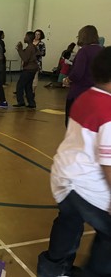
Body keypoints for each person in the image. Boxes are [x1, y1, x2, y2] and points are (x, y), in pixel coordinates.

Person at [37, 46, 111, 277]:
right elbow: (108, 164)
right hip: (83, 185)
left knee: (69, 220)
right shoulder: (108, 111)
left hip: (63, 177)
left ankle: (53, 268)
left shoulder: (85, 96)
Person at [64, 25, 102, 127]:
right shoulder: (102, 51)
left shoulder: (84, 51)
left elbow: (77, 73)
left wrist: (68, 79)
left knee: (74, 125)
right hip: (97, 94)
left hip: (80, 93)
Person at [14, 31, 39, 108]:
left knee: (20, 85)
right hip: (33, 69)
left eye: (25, 36)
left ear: (29, 38)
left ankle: (21, 101)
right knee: (28, 86)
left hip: (28, 69)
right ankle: (31, 103)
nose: (24, 38)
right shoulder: (33, 47)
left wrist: (20, 49)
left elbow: (25, 58)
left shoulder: (30, 47)